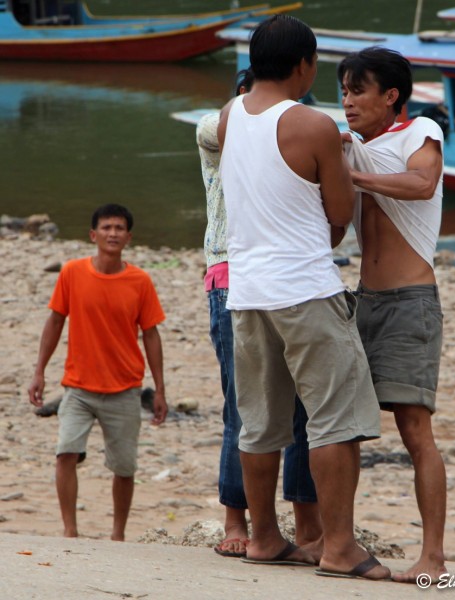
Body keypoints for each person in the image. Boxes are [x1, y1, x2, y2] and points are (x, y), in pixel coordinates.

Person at [218, 15, 389, 581]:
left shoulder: (228, 116)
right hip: (305, 290)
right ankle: (339, 547)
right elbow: (339, 217)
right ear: (304, 65)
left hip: (246, 293)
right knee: (335, 422)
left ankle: (264, 537)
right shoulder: (311, 124)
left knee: (261, 423)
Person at [197, 68, 322, 560]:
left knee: (304, 408)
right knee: (242, 405)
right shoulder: (221, 128)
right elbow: (212, 125)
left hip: (291, 276)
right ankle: (236, 517)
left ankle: (307, 522)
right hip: (233, 274)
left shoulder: (300, 130)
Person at [336, 47, 447, 583]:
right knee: (346, 429)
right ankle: (340, 544)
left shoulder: (418, 132)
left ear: (391, 96)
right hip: (363, 300)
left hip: (410, 302)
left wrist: (351, 176)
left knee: (414, 431)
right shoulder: (351, 148)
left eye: (359, 90)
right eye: (343, 90)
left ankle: (434, 557)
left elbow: (422, 184)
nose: (348, 100)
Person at [28, 204, 168, 541]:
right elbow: (55, 321)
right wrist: (39, 371)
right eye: (106, 228)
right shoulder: (72, 273)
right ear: (93, 235)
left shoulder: (140, 281)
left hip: (124, 389)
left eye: (120, 228)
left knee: (124, 467)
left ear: (129, 238)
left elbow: (151, 334)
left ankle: (117, 536)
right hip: (78, 387)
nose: (113, 234)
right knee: (66, 452)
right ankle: (70, 530)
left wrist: (160, 389)